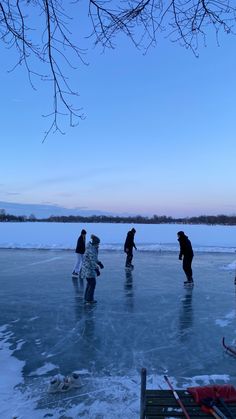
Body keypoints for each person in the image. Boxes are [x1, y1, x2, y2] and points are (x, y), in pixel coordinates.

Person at [81, 234, 104, 304]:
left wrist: (99, 263)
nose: (98, 245)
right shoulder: (91, 250)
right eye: (98, 243)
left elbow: (94, 259)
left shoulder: (92, 248)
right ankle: (89, 299)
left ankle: (87, 298)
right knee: (92, 284)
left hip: (88, 269)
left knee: (90, 283)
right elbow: (92, 261)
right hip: (88, 269)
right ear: (95, 243)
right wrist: (96, 269)